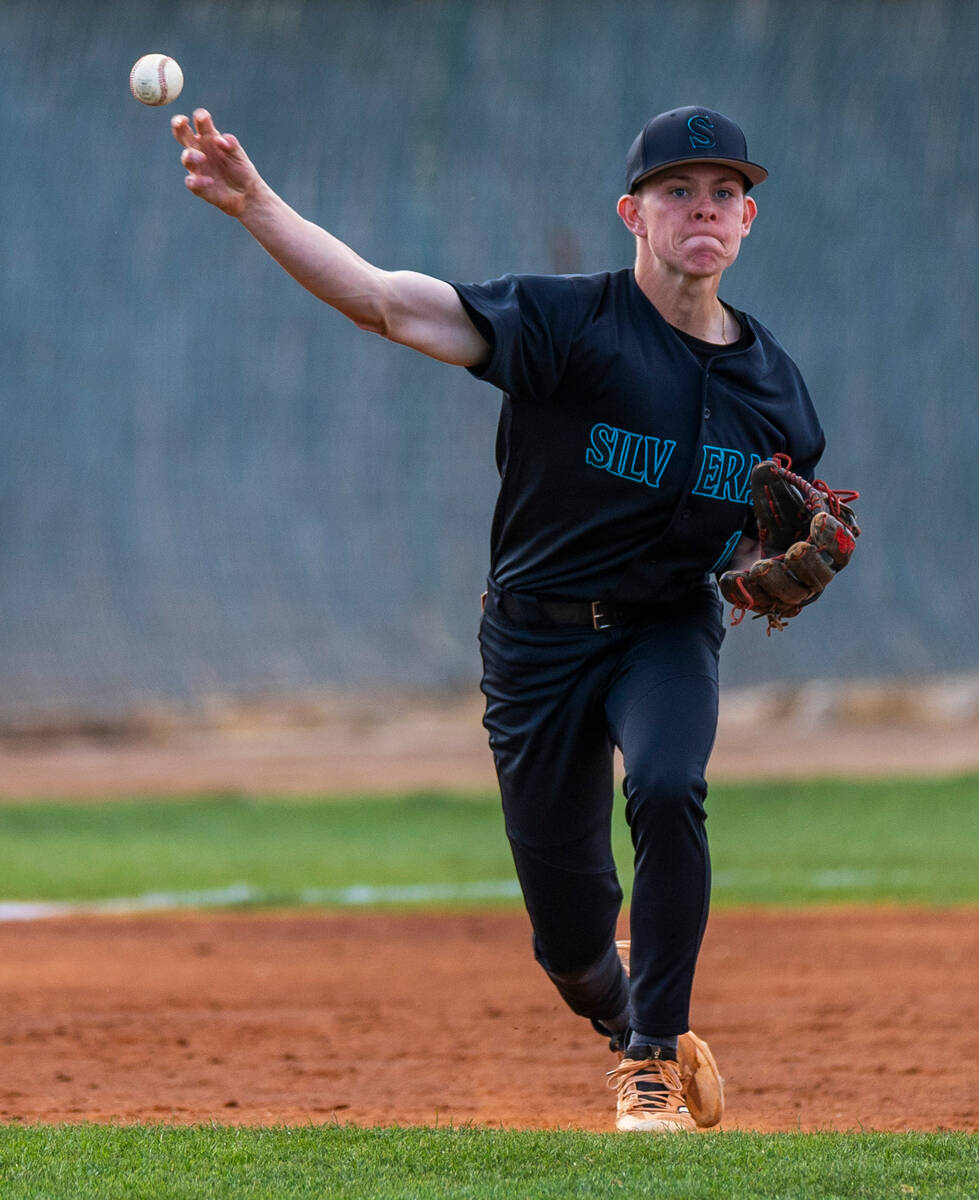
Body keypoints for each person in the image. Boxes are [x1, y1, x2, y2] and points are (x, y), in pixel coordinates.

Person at [172, 104, 825, 1132]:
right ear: (632, 214)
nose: (701, 209)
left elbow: (772, 529)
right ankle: (624, 1019)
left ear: (746, 222)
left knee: (666, 785)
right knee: (568, 945)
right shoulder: (568, 324)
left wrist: (764, 559)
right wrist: (256, 204)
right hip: (536, 640)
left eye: (722, 195)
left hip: (664, 630)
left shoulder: (775, 391)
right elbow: (390, 306)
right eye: (676, 192)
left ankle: (650, 1060)